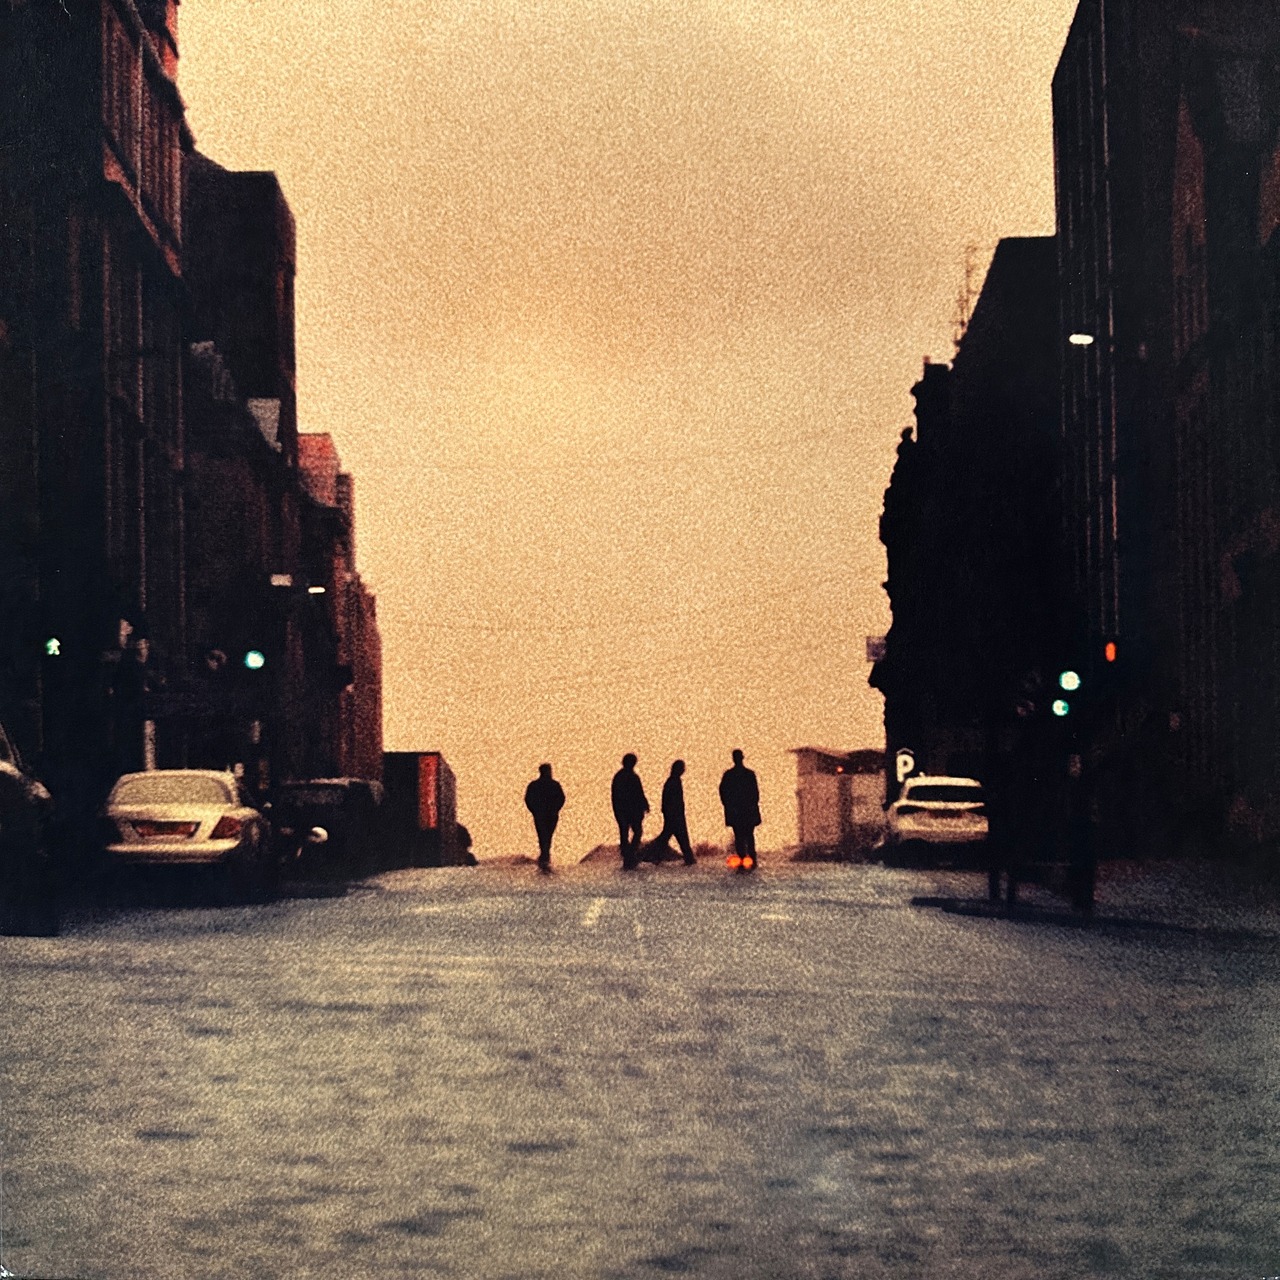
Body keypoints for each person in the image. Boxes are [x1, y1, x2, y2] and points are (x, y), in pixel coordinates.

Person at [719, 749, 761, 871]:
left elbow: (723, 792)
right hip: (747, 810)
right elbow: (755, 793)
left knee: (739, 837)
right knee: (749, 836)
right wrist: (752, 805)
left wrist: (728, 805)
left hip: (736, 811)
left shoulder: (729, 775)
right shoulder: (749, 774)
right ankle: (752, 861)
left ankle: (743, 862)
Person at [649, 760, 695, 866]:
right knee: (680, 836)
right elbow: (672, 800)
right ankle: (689, 858)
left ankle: (655, 856)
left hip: (673, 814)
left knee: (667, 837)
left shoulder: (672, 781)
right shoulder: (674, 782)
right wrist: (674, 813)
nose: (684, 770)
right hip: (675, 815)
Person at [610, 753, 649, 870]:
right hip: (630, 811)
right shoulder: (630, 777)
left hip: (625, 811)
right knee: (635, 832)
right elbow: (638, 793)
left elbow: (638, 793)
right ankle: (629, 856)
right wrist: (644, 805)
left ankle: (629, 856)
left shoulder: (620, 777)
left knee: (626, 833)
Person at [523, 764, 565, 871]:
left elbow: (528, 799)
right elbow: (561, 798)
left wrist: (535, 811)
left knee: (543, 835)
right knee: (546, 835)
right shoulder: (553, 785)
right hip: (547, 814)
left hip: (543, 814)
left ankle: (544, 855)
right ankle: (545, 856)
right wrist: (554, 810)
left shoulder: (535, 785)